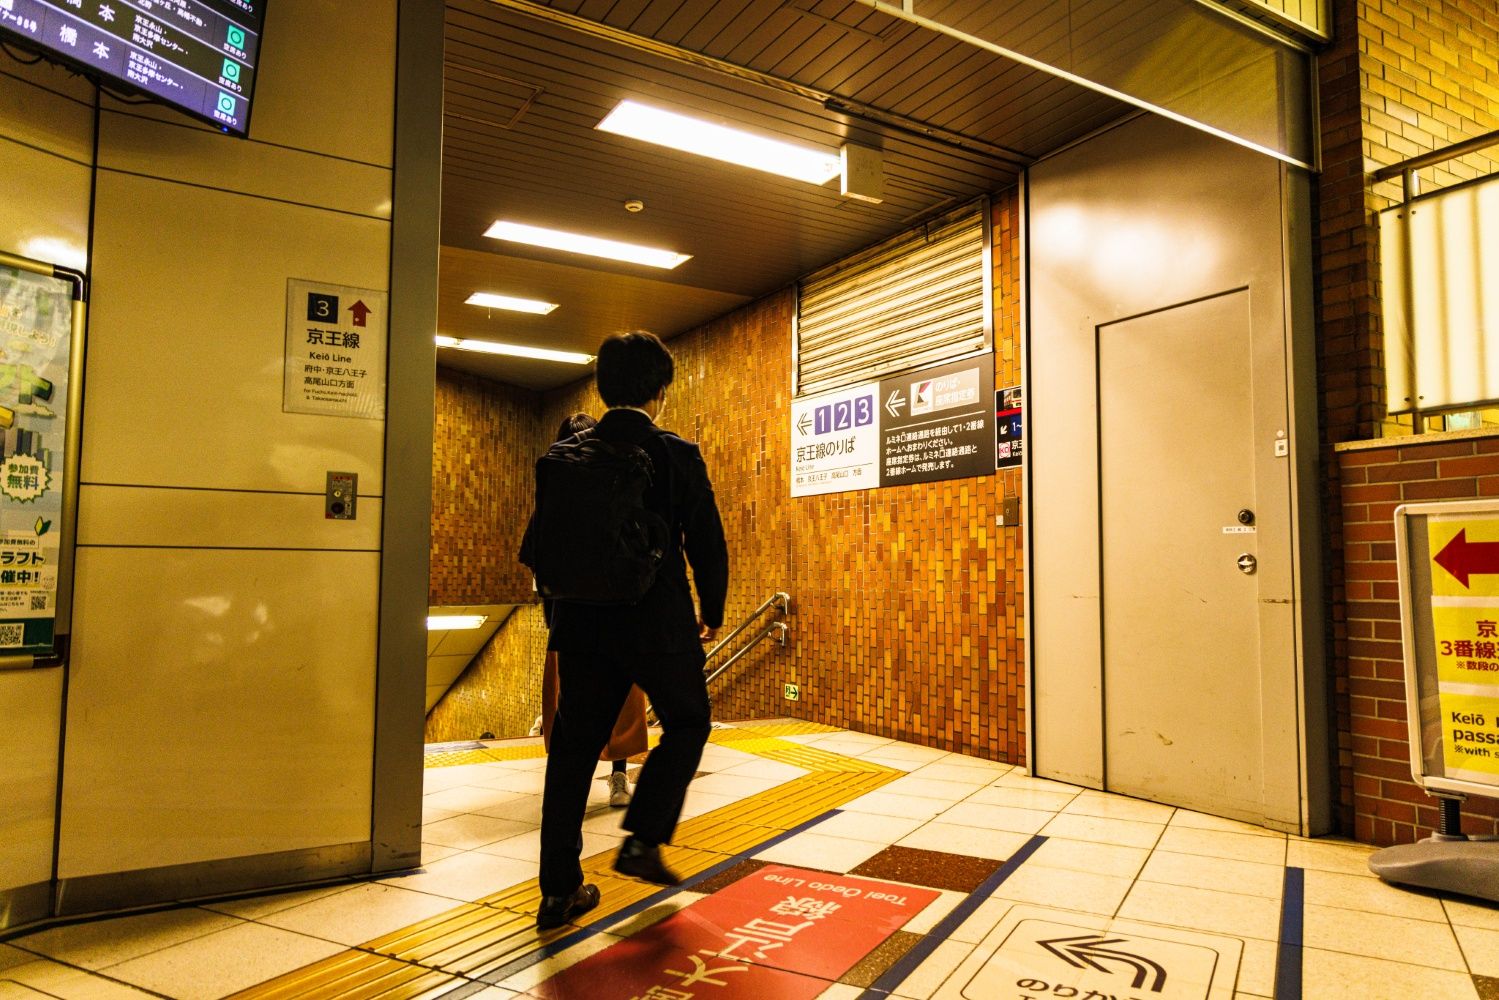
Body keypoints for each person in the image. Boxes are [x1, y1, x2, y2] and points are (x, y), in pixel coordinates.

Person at [532, 331, 728, 931]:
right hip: (657, 623)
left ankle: (558, 891)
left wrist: (559, 618)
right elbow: (708, 543)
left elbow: (548, 546)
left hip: (582, 624)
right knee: (689, 722)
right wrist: (711, 611)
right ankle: (643, 839)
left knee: (571, 753)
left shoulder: (567, 457)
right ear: (661, 391)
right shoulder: (674, 453)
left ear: (602, 386)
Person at [538, 412, 649, 808]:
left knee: (573, 711)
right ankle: (617, 778)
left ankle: (572, 794)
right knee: (618, 704)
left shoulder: (554, 490)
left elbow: (539, 562)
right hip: (616, 617)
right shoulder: (622, 482)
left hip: (570, 622)